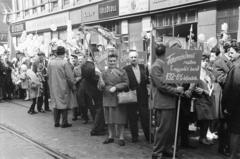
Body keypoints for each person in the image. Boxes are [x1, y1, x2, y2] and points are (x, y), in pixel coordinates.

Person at [150, 44, 184, 159]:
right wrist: (176, 90)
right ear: (165, 54)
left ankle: (166, 149)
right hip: (163, 103)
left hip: (170, 102)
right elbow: (161, 86)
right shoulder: (156, 66)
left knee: (169, 130)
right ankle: (157, 152)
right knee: (162, 129)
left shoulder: (167, 65)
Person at [100, 53, 129, 146]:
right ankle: (110, 136)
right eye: (110, 61)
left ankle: (121, 137)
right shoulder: (103, 73)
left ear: (117, 61)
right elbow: (99, 86)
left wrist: (116, 87)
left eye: (114, 61)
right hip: (107, 97)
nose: (112, 62)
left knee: (120, 119)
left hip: (118, 98)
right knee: (108, 120)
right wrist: (100, 84)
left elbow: (126, 83)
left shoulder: (122, 71)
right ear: (107, 61)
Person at [123, 50, 151, 142]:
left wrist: (149, 79)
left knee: (145, 116)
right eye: (132, 57)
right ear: (129, 59)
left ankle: (148, 136)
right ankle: (134, 136)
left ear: (138, 58)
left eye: (135, 57)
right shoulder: (125, 69)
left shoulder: (143, 67)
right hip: (131, 95)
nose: (134, 59)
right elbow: (124, 82)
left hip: (143, 95)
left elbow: (147, 80)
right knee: (132, 117)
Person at [212, 43, 233, 156]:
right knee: (224, 124)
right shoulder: (219, 62)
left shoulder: (235, 62)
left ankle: (230, 146)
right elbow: (222, 79)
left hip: (233, 97)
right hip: (222, 96)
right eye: (230, 50)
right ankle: (223, 147)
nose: (231, 53)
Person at [48, 46, 76, 128]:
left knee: (56, 103)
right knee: (64, 103)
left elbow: (48, 75)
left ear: (56, 53)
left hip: (53, 86)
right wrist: (73, 85)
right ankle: (64, 122)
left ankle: (56, 122)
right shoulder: (64, 63)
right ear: (64, 53)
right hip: (63, 86)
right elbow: (70, 77)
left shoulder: (50, 62)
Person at [80, 57, 106, 135]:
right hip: (96, 92)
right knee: (99, 110)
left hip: (90, 91)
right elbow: (100, 82)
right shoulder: (91, 68)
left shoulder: (84, 66)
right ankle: (96, 129)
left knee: (97, 110)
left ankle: (99, 127)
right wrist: (100, 75)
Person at [222, 50, 240, 159]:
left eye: (233, 52)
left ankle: (233, 155)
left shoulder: (237, 67)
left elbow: (235, 89)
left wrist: (228, 108)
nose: (230, 55)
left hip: (237, 107)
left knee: (235, 132)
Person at [193, 54, 215, 145]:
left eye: (207, 61)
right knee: (204, 119)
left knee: (207, 119)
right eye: (203, 60)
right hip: (201, 99)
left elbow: (212, 84)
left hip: (208, 99)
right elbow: (194, 87)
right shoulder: (196, 72)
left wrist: (210, 82)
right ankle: (202, 138)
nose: (205, 62)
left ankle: (203, 137)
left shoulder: (208, 72)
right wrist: (203, 90)